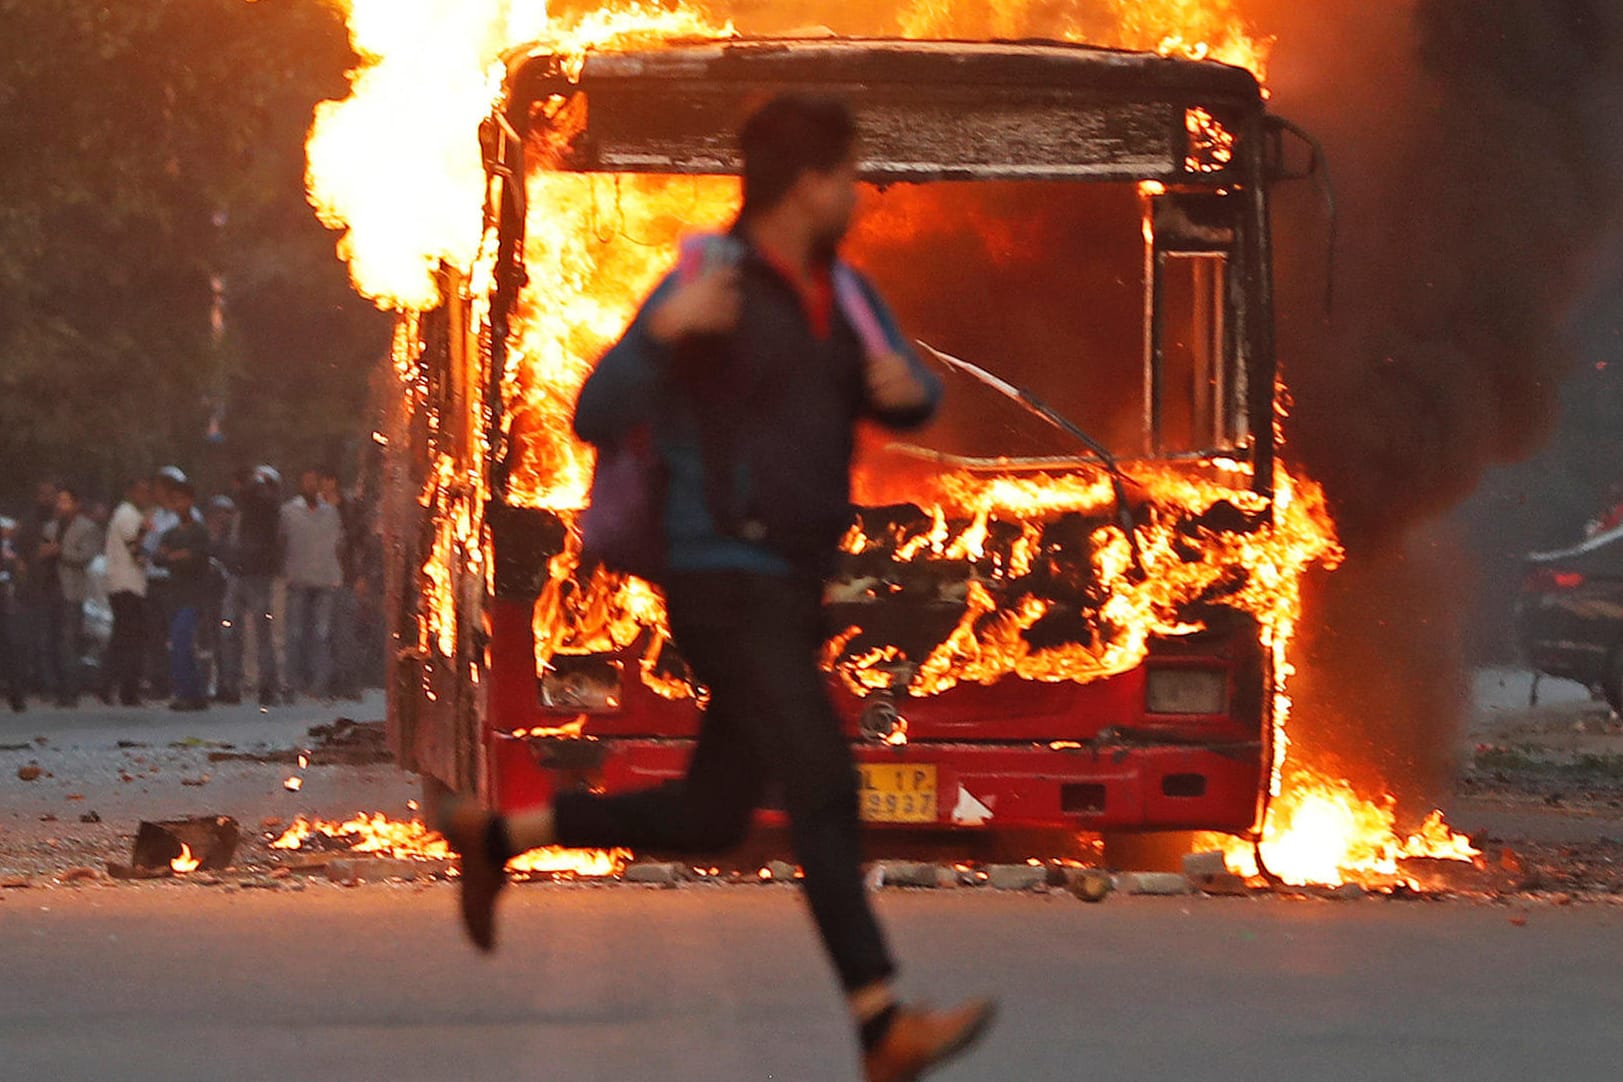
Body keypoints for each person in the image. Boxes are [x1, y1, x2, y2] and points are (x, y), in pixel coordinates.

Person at [437, 95, 992, 1082]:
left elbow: (910, 390)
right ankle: (881, 1025)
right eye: (849, 177)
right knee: (823, 782)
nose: (861, 196)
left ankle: (503, 835)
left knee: (712, 815)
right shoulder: (708, 279)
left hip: (794, 584)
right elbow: (597, 407)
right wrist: (664, 338)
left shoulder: (844, 296)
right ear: (808, 184)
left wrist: (909, 393)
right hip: (719, 579)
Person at [219, 465, 283, 707]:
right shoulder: (243, 510)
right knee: (230, 630)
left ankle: (267, 686)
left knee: (260, 632)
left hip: (256, 574)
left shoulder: (265, 506)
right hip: (239, 572)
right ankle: (231, 684)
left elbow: (261, 503)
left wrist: (255, 484)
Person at [279, 468, 343, 700]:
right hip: (298, 577)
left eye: (314, 481)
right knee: (295, 633)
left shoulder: (331, 512)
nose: (310, 485)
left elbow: (339, 542)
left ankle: (319, 684)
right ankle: (292, 683)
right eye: (306, 481)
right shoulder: (288, 512)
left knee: (321, 633)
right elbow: (281, 542)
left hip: (325, 578)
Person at [41, 486, 101, 707]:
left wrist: (61, 552)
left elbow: (86, 555)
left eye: (66, 501)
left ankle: (70, 691)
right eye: (59, 500)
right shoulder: (50, 527)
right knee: (51, 640)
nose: (61, 505)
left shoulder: (87, 528)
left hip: (72, 590)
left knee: (69, 642)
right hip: (50, 589)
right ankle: (54, 687)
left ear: (76, 504)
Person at [156, 480, 211, 712]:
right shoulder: (169, 533)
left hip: (194, 595)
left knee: (183, 641)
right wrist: (176, 557)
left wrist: (177, 557)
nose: (178, 505)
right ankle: (192, 693)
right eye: (174, 500)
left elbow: (198, 557)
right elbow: (158, 558)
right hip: (174, 595)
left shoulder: (199, 531)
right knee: (179, 643)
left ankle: (188, 692)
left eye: (181, 499)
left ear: (190, 501)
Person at [103, 478, 153, 706]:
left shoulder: (128, 515)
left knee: (124, 637)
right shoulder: (127, 515)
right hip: (127, 584)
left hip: (127, 583)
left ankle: (111, 685)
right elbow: (135, 548)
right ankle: (126, 689)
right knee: (131, 638)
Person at [15, 480, 60, 698]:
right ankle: (35, 685)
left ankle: (47, 685)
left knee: (49, 639)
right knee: (32, 640)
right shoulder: (29, 523)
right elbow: (20, 557)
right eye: (43, 494)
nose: (47, 499)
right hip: (31, 590)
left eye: (51, 494)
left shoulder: (57, 521)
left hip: (52, 588)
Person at [0, 517, 26, 712]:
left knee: (11, 648)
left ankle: (16, 695)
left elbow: (20, 573)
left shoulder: (13, 549)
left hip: (7, 601)